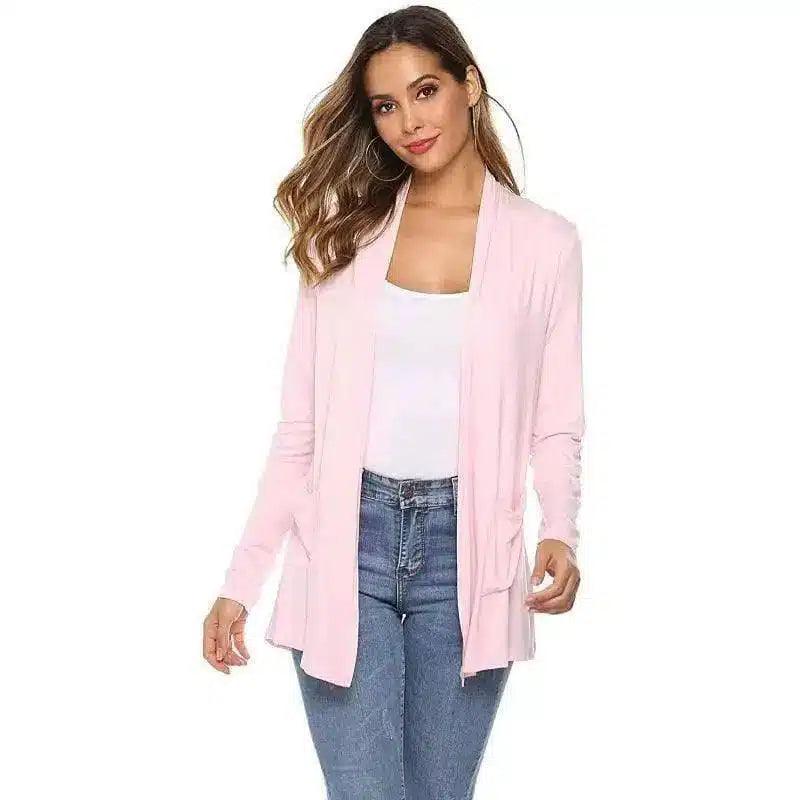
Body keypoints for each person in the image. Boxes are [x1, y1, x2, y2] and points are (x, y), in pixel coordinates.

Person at [203, 6, 584, 798]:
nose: (409, 121)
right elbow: (300, 432)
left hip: (468, 552)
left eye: (425, 91)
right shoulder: (345, 236)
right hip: (347, 543)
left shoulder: (545, 244)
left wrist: (561, 528)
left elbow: (555, 418)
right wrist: (241, 581)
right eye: (385, 105)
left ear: (469, 85)